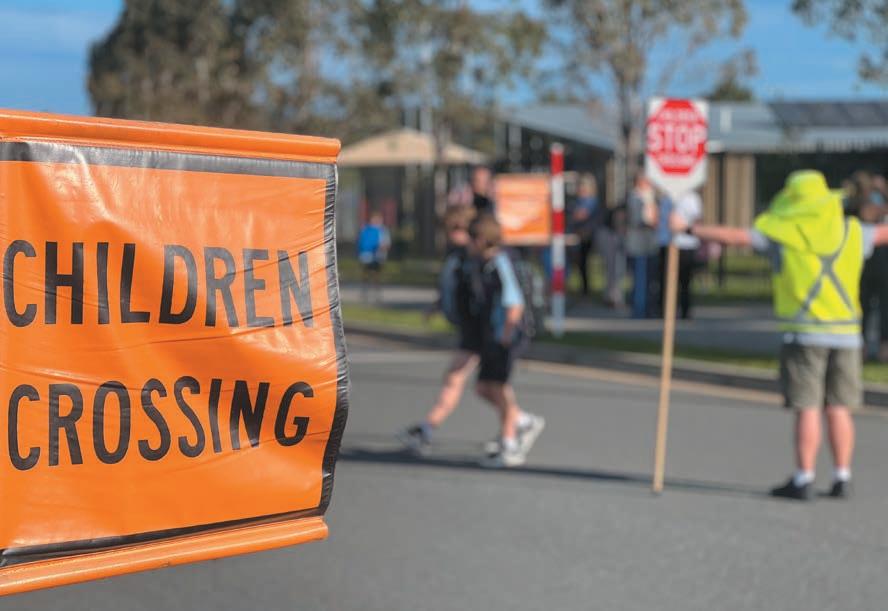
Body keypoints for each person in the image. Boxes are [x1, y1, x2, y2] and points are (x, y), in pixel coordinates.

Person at [686, 170, 888, 500]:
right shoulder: (852, 231)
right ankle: (842, 476)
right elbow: (882, 233)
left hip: (804, 333)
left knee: (807, 406)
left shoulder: (782, 234)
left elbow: (734, 236)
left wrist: (689, 229)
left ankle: (804, 477)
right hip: (847, 334)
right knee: (839, 407)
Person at [399, 213, 544, 467]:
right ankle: (521, 423)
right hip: (489, 335)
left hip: (502, 337)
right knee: (485, 388)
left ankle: (510, 444)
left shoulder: (500, 263)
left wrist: (505, 336)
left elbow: (514, 304)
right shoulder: (480, 262)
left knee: (498, 388)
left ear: (480, 239)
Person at [658, 190, 702, 319]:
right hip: (669, 243)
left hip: (686, 243)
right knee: (667, 280)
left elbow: (697, 219)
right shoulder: (667, 196)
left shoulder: (692, 198)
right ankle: (667, 310)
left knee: (684, 281)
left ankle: (684, 310)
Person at [626, 174, 659, 318]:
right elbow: (639, 219)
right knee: (640, 278)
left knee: (650, 279)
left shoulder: (651, 196)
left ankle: (648, 307)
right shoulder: (635, 197)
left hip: (650, 242)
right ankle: (639, 309)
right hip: (638, 243)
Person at [570, 174, 602, 297]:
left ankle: (585, 289)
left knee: (583, 260)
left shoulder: (591, 201)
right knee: (579, 261)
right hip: (578, 234)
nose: (581, 189)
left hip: (588, 235)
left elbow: (581, 215)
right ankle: (583, 287)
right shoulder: (578, 201)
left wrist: (575, 216)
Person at [356, 211, 390, 304]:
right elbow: (360, 242)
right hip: (367, 255)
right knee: (367, 274)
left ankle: (375, 292)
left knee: (375, 274)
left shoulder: (382, 230)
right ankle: (366, 292)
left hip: (377, 256)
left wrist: (381, 247)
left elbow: (386, 244)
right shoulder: (367, 229)